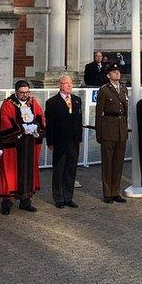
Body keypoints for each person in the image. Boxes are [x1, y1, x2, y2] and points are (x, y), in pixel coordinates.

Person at [0, 80, 45, 214]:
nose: (25, 95)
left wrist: (37, 127)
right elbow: (5, 121)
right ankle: (6, 204)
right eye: (22, 93)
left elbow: (41, 117)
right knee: (10, 174)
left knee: (29, 172)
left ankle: (26, 201)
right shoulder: (7, 104)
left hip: (29, 144)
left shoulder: (34, 103)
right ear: (16, 92)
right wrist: (21, 129)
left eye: (27, 92)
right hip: (14, 146)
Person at [44, 75, 83, 209]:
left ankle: (68, 196)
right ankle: (58, 197)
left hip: (73, 141)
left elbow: (79, 121)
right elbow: (49, 124)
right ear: (60, 85)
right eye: (66, 83)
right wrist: (50, 141)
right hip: (59, 141)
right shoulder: (52, 102)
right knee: (59, 170)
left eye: (70, 83)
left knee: (71, 169)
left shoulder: (77, 100)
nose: (69, 86)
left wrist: (79, 137)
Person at [95, 64, 129, 203]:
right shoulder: (104, 90)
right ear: (108, 75)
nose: (117, 74)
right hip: (108, 128)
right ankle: (107, 192)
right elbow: (99, 112)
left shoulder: (123, 89)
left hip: (121, 129)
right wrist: (99, 132)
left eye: (118, 72)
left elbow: (125, 111)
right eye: (114, 72)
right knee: (108, 162)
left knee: (118, 163)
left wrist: (125, 128)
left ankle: (116, 191)